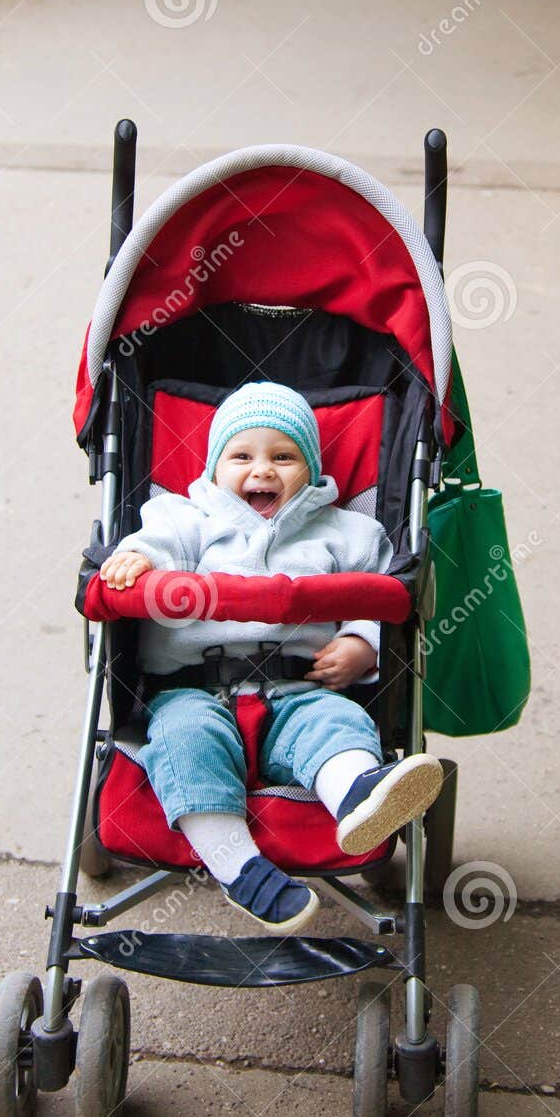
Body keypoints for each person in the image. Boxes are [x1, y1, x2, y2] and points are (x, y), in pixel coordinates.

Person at [100, 381, 444, 935]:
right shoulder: (186, 517)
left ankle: (360, 795)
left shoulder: (348, 531)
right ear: (215, 468)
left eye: (283, 457)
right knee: (185, 742)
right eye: (242, 456)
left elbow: (384, 594)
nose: (262, 471)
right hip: (194, 690)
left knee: (338, 723)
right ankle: (241, 869)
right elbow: (153, 544)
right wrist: (135, 560)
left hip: (301, 690)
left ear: (310, 467)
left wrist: (361, 645)